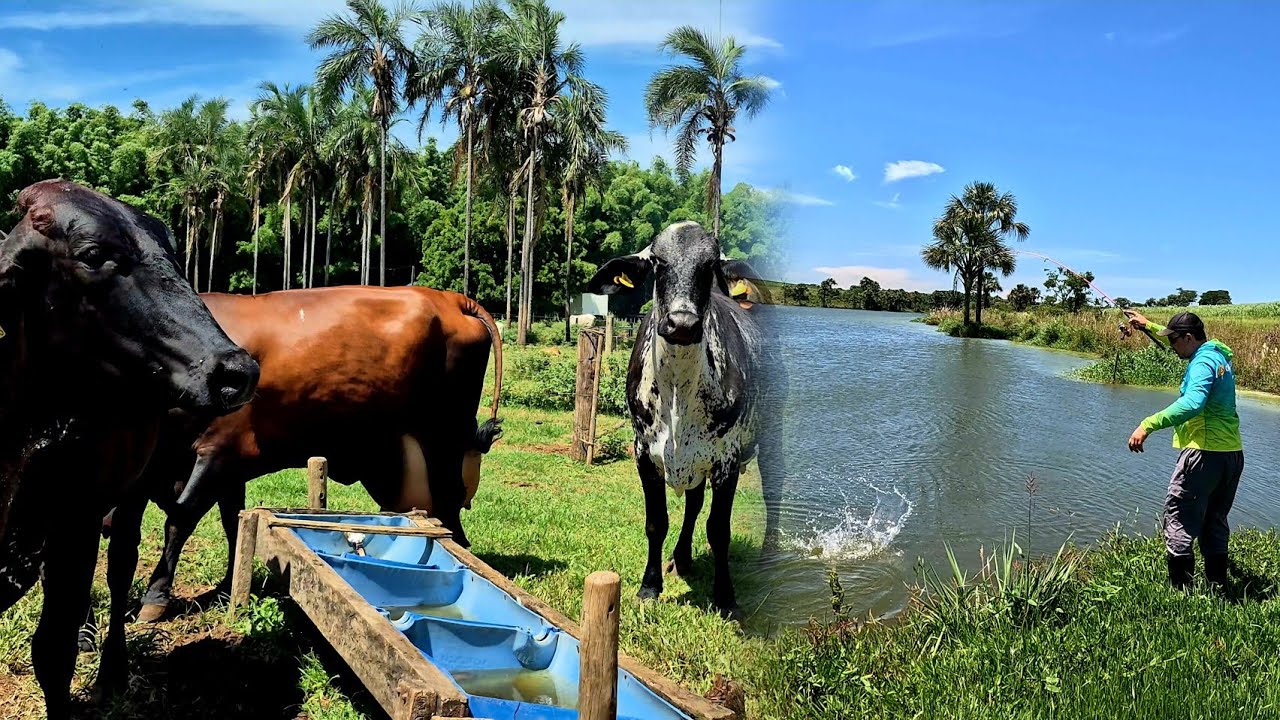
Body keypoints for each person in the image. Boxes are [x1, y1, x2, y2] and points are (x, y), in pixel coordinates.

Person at [1124, 310, 1244, 590]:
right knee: (1214, 520)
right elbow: (1177, 343)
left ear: (1189, 338)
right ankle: (1217, 586)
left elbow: (1192, 403)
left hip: (1203, 454)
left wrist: (1147, 424)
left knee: (1179, 516)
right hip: (1230, 455)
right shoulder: (1217, 356)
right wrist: (1147, 325)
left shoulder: (1201, 362)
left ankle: (1180, 592)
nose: (1172, 346)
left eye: (1175, 340)